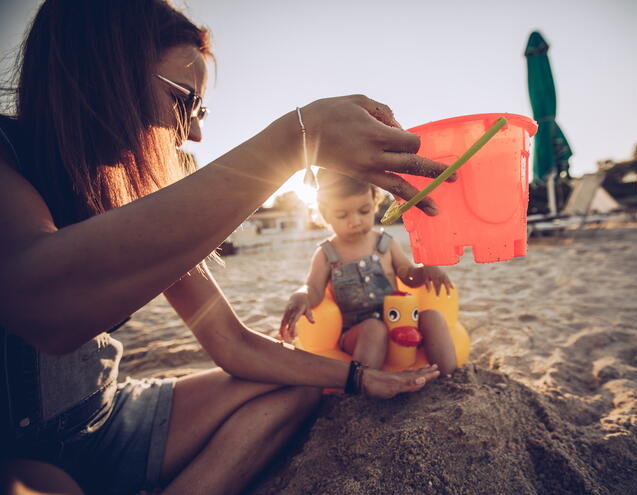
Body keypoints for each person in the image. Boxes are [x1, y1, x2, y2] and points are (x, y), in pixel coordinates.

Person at [0, 1, 454, 494]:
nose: (194, 131)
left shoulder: (135, 196)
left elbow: (231, 343)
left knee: (300, 389)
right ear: (105, 73)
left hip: (109, 420)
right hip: (19, 450)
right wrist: (293, 142)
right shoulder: (9, 156)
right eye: (185, 102)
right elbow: (41, 307)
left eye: (202, 110)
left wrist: (356, 379)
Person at [279, 170, 458, 374]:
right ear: (325, 213)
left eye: (364, 211)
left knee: (432, 317)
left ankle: (451, 379)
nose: (355, 221)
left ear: (374, 203)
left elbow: (408, 275)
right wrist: (301, 296)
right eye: (342, 215)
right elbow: (314, 290)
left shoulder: (385, 243)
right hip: (358, 334)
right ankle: (365, 385)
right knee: (374, 328)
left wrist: (425, 270)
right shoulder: (327, 253)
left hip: (399, 321)